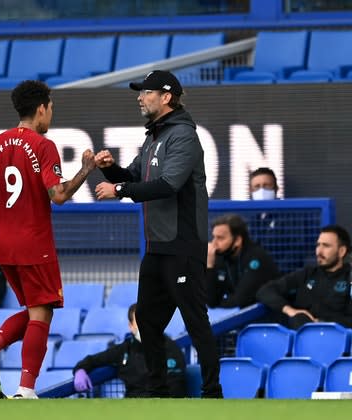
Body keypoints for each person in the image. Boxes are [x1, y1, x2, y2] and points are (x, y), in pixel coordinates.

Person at [0, 80, 96, 399]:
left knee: (39, 309)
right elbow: (58, 195)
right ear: (41, 109)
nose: (51, 115)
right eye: (51, 109)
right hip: (33, 243)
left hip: (4, 245)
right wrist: (86, 170)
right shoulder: (42, 145)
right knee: (42, 312)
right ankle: (23, 386)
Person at [92, 70, 223, 398]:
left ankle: (212, 392)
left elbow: (168, 184)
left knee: (195, 321)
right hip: (157, 247)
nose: (140, 97)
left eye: (146, 92)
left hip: (182, 246)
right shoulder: (154, 136)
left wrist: (119, 188)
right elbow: (134, 175)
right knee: (147, 323)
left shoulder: (183, 136)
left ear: (166, 97)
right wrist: (111, 168)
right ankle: (158, 394)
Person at [72, 303, 187, 398]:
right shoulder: (124, 349)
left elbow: (176, 386)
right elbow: (93, 360)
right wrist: (80, 370)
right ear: (131, 326)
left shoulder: (170, 348)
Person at [256, 225, 352, 329]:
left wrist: (320, 323)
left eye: (326, 246)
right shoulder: (307, 274)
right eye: (318, 245)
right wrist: (290, 310)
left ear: (341, 251)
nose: (319, 251)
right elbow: (265, 291)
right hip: (302, 336)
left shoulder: (349, 278)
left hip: (336, 338)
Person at [206, 214, 280, 308]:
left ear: (237, 240)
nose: (214, 243)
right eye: (214, 237)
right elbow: (211, 301)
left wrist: (219, 303)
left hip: (270, 314)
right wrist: (209, 265)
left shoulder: (257, 258)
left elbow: (240, 300)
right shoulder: (220, 257)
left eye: (220, 238)